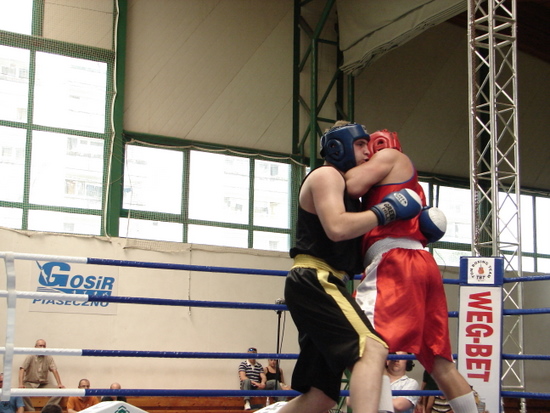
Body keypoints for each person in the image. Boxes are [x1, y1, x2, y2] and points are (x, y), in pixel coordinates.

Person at [278, 122, 422, 413]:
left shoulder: (351, 196)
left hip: (323, 282)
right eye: (359, 144)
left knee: (322, 396)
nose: (368, 151)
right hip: (316, 279)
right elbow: (337, 228)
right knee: (373, 348)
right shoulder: (326, 175)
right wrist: (387, 210)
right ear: (337, 146)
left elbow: (354, 248)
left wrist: (418, 230)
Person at [344, 126, 479, 413]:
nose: (365, 153)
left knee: (365, 343)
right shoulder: (396, 180)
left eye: (365, 146)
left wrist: (334, 166)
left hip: (395, 263)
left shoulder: (391, 157)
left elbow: (351, 184)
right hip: (418, 263)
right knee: (439, 361)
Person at [18, 339, 65, 412]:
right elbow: (22, 369)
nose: (42, 348)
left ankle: (45, 410)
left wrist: (59, 384)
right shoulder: (30, 356)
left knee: (60, 391)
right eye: (40, 346)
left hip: (43, 384)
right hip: (29, 383)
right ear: (35, 347)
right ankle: (32, 411)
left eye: (44, 346)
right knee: (21, 392)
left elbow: (54, 370)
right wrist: (21, 384)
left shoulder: (48, 357)